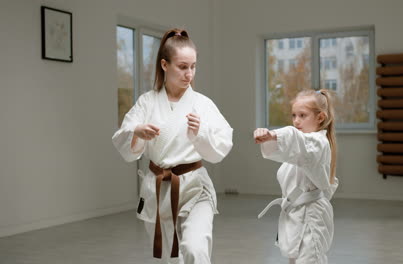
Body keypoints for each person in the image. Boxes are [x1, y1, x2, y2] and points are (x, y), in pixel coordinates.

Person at [112, 28, 233, 264]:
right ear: (165, 65)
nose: (190, 74)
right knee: (168, 259)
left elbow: (223, 142)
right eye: (183, 66)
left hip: (195, 186)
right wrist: (136, 132)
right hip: (159, 188)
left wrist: (201, 133)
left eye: (193, 66)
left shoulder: (202, 104)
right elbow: (123, 137)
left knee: (194, 248)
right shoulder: (147, 101)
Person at [254, 89, 339, 264]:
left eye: (302, 115)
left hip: (312, 216)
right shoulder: (300, 149)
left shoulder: (318, 143)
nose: (296, 121)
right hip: (296, 215)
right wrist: (270, 138)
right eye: (294, 115)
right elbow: (285, 149)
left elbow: (296, 141)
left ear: (320, 117)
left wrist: (274, 134)